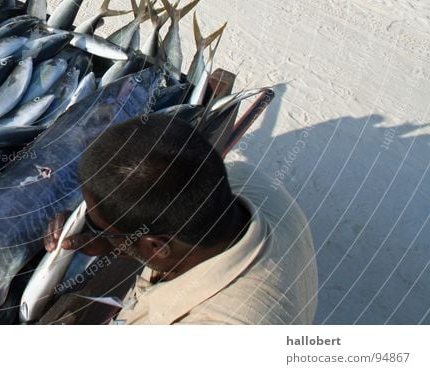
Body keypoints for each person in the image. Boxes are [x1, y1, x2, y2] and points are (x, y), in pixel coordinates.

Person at [43, 114, 318, 324]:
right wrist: (115, 241)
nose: (90, 229)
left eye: (98, 226)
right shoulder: (248, 180)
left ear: (156, 247)